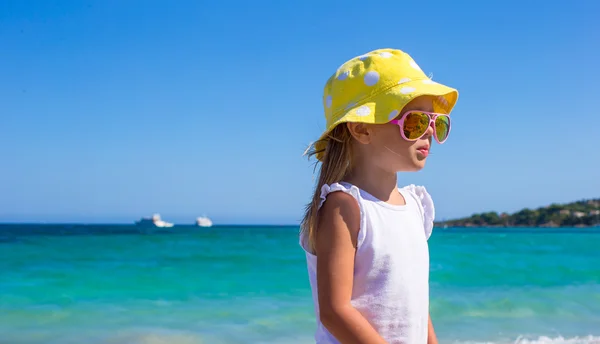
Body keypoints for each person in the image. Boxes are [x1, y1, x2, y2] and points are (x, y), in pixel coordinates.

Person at [299, 48, 459, 344]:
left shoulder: (415, 207)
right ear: (362, 130)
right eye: (416, 122)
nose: (429, 134)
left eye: (437, 123)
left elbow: (415, 301)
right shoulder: (345, 206)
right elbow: (334, 311)